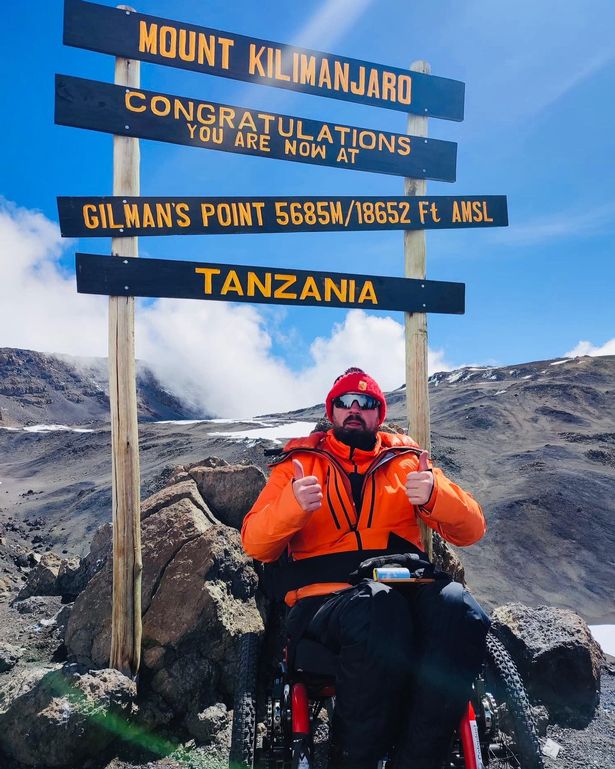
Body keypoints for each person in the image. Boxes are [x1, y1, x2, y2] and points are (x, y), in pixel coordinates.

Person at [241, 367, 490, 769]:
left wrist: (434, 494)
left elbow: (473, 528)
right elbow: (255, 543)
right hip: (327, 605)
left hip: (404, 588)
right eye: (345, 403)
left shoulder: (409, 460)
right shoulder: (298, 465)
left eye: (366, 403)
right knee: (379, 610)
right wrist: (292, 506)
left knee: (458, 608)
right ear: (332, 412)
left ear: (379, 414)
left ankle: (417, 759)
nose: (354, 409)